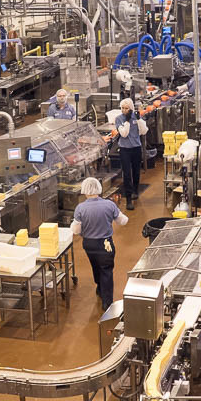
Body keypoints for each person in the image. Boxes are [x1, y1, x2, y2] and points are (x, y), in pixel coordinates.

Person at [71, 178, 128, 311]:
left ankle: (99, 287)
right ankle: (107, 302)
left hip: (89, 245)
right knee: (106, 270)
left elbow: (76, 230)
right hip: (105, 244)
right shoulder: (109, 204)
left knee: (95, 266)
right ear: (99, 189)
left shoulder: (80, 208)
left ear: (84, 190)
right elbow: (123, 221)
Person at [114, 98, 148, 211]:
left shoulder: (136, 117)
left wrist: (139, 120)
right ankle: (128, 199)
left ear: (131, 108)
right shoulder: (119, 119)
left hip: (136, 148)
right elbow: (124, 134)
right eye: (122, 108)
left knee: (136, 171)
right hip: (125, 150)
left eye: (126, 108)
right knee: (127, 174)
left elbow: (143, 131)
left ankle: (135, 191)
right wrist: (127, 121)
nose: (124, 110)